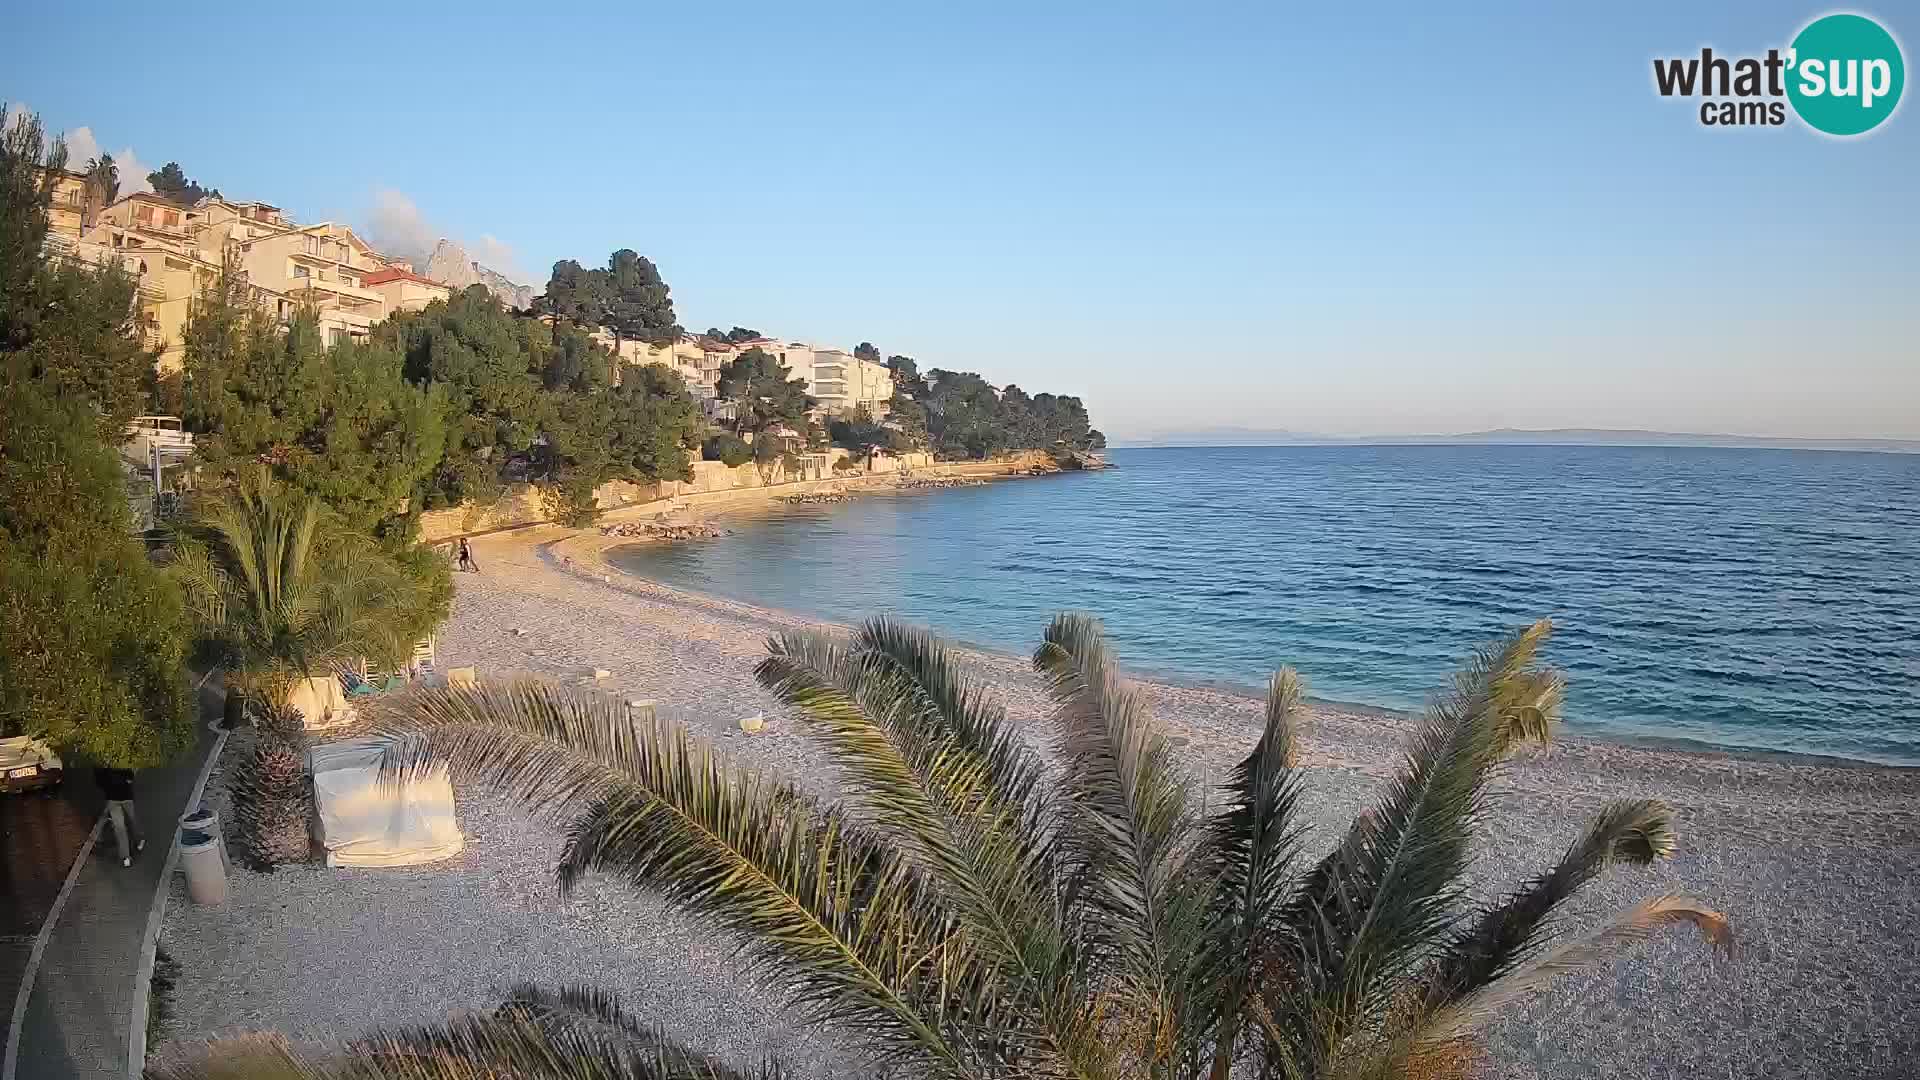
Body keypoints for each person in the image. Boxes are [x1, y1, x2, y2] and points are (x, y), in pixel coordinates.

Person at [94, 767, 144, 867]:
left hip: (118, 798)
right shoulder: (113, 765)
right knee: (124, 825)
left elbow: (100, 782)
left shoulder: (105, 766)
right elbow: (130, 778)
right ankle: (129, 852)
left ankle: (134, 845)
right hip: (120, 799)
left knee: (126, 824)